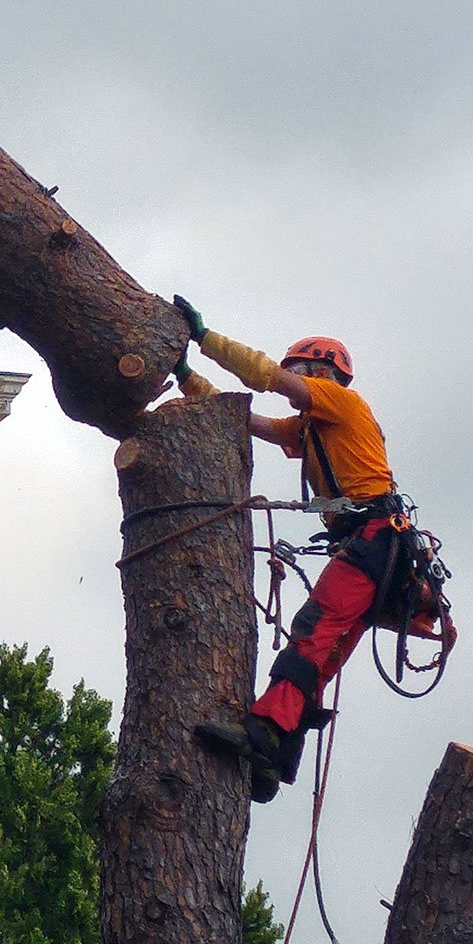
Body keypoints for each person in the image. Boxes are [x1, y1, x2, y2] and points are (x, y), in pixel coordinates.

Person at [168, 295, 404, 804]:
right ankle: (276, 759)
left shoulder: (341, 402)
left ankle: (264, 730)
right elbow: (243, 420)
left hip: (374, 538)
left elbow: (267, 379)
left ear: (324, 371)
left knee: (312, 632)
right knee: (321, 656)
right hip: (371, 544)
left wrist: (205, 340)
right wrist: (187, 377)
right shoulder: (313, 427)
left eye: (302, 370)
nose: (294, 380)